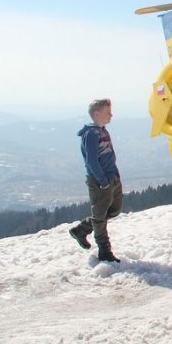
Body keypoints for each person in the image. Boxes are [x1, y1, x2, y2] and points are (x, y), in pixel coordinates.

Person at [68, 99, 124, 263]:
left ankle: (82, 229)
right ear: (97, 114)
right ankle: (104, 251)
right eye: (108, 112)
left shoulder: (102, 131)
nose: (111, 115)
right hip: (100, 180)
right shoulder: (91, 134)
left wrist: (114, 177)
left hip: (111, 177)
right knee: (100, 216)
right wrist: (103, 181)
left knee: (114, 210)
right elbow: (91, 161)